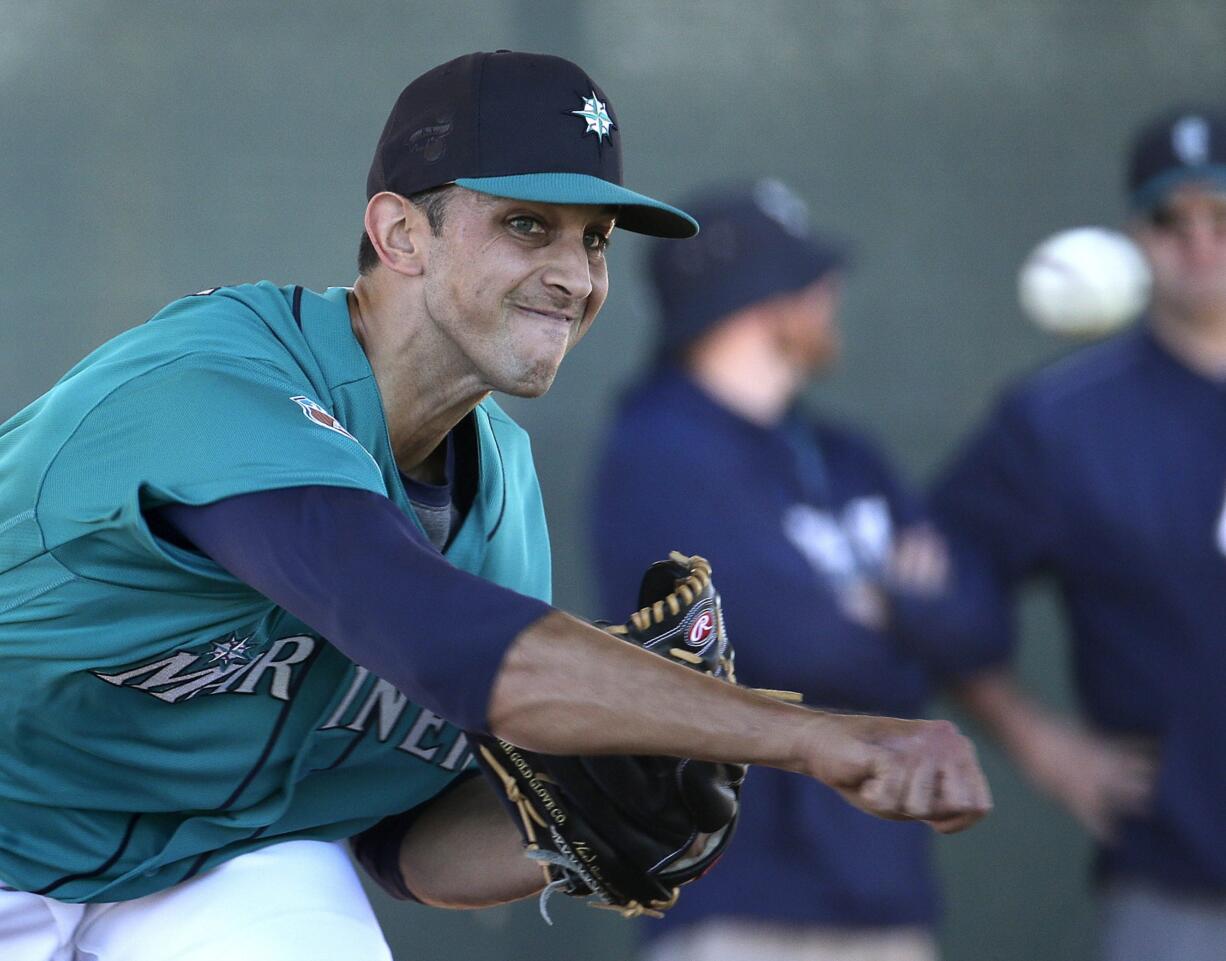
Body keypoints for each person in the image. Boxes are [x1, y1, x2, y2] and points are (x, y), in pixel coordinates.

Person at [0, 52, 990, 961]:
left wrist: (562, 826)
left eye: (593, 241)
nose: (573, 275)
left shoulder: (498, 489)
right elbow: (429, 629)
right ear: (399, 233)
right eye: (526, 224)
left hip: (205, 857)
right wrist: (815, 736)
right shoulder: (215, 383)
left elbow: (400, 840)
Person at [591, 180, 998, 961]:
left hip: (882, 887)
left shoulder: (846, 456)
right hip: (736, 899)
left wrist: (883, 608)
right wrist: (902, 606)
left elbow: (977, 622)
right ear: (759, 300)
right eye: (809, 283)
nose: (830, 295)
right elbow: (788, 643)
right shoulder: (658, 451)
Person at [933, 107, 1226, 961]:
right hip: (1184, 884)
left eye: (1222, 216)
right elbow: (937, 578)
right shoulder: (1065, 419)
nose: (1199, 241)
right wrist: (1037, 737)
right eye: (1171, 220)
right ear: (1135, 236)